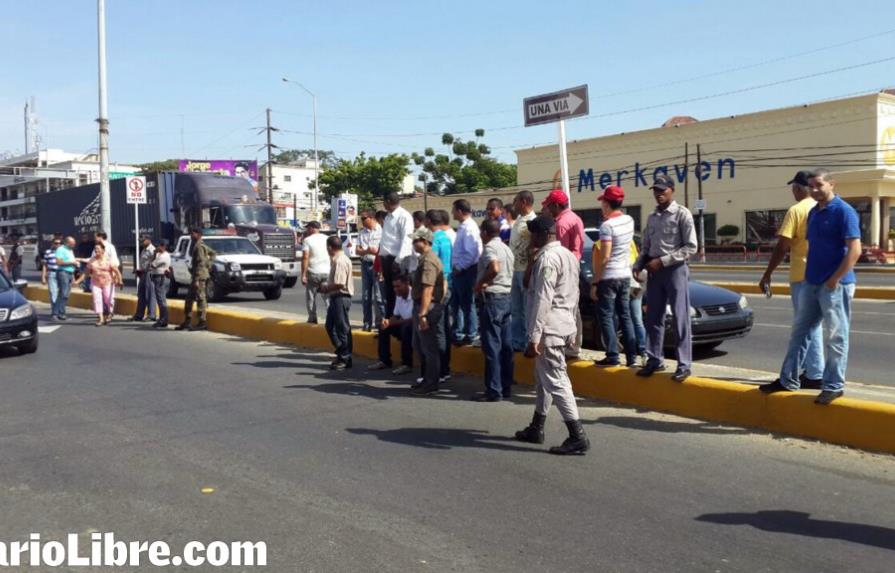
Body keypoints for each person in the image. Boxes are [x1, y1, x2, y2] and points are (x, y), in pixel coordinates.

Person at [761, 168, 861, 404]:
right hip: (810, 282)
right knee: (800, 332)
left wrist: (835, 279)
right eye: (812, 186)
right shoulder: (813, 213)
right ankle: (788, 379)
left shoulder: (844, 212)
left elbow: (855, 250)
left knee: (837, 336)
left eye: (819, 185)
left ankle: (834, 385)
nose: (815, 190)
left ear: (831, 184)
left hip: (836, 285)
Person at [514, 215, 590, 455]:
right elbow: (574, 294)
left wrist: (534, 337)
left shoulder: (548, 258)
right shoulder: (568, 255)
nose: (529, 241)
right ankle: (537, 427)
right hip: (563, 325)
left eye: (532, 235)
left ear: (541, 235)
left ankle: (577, 436)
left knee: (556, 381)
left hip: (549, 329)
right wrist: (573, 328)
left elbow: (542, 298)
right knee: (543, 380)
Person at [758, 170, 823, 388]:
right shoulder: (821, 208)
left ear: (798, 188)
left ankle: (810, 375)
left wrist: (767, 274)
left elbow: (782, 247)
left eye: (793, 188)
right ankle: (815, 371)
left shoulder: (796, 210)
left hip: (801, 276)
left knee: (804, 328)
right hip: (821, 275)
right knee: (814, 327)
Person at [633, 175, 698, 382]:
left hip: (675, 270)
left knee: (680, 318)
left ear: (672, 190)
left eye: (663, 190)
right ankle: (654, 360)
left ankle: (684, 364)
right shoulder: (652, 217)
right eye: (656, 190)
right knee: (654, 318)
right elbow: (646, 246)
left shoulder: (682, 214)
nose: (659, 194)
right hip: (653, 272)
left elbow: (691, 247)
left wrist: (663, 261)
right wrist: (638, 264)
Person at [589, 185, 638, 367]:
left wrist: (595, 281)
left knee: (607, 317)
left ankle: (613, 355)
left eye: (603, 201)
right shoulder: (629, 220)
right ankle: (632, 357)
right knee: (625, 316)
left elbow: (605, 256)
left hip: (609, 277)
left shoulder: (607, 226)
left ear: (607, 204)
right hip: (625, 275)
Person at [472, 218, 515, 402]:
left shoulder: (490, 248)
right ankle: (505, 387)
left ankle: (493, 390)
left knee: (492, 346)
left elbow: (494, 268)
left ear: (484, 233)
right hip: (506, 297)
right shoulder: (506, 248)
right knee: (506, 346)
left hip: (493, 297)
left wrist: (480, 283)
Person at [542, 189, 585, 357]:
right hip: (574, 267)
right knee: (574, 307)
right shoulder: (576, 218)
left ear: (556, 205)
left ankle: (569, 344)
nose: (547, 208)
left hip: (564, 270)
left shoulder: (561, 223)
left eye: (549, 205)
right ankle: (575, 345)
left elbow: (560, 251)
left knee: (562, 307)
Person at [409, 227, 447, 396]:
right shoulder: (425, 259)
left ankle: (431, 383)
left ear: (424, 242)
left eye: (415, 241)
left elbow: (428, 289)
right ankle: (427, 378)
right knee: (420, 345)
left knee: (429, 348)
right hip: (426, 305)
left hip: (427, 306)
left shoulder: (429, 261)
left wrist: (423, 314)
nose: (413, 244)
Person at [451, 199, 483, 345]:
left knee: (467, 303)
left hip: (466, 271)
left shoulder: (469, 227)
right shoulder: (464, 226)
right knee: (460, 303)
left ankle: (471, 333)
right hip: (462, 271)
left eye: (454, 210)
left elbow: (472, 253)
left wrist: (460, 267)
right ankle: (463, 331)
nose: (452, 213)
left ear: (459, 211)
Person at [509, 191, 537, 351]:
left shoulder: (532, 221)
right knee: (516, 309)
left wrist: (529, 270)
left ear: (524, 201)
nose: (514, 204)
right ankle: (517, 341)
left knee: (528, 309)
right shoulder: (519, 219)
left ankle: (528, 342)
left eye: (516, 201)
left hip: (526, 271)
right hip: (514, 270)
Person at [428, 209, 454, 382]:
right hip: (448, 284)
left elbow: (432, 265)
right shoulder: (446, 238)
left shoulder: (435, 240)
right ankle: (444, 368)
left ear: (429, 222)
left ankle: (440, 370)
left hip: (438, 287)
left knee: (437, 331)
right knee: (444, 329)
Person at [369, 275, 414, 374]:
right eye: (394, 287)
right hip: (403, 323)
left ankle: (407, 364)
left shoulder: (414, 295)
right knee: (384, 327)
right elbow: (396, 315)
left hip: (414, 327)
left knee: (406, 329)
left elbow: (413, 319)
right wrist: (388, 322)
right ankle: (384, 360)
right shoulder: (399, 296)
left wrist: (395, 322)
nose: (395, 289)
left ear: (407, 284)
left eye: (398, 286)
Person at [321, 235, 354, 370]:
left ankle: (345, 357)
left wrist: (326, 288)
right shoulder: (337, 259)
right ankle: (342, 352)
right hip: (336, 297)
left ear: (330, 247)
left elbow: (340, 283)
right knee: (330, 326)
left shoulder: (340, 261)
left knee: (342, 328)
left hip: (341, 296)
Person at [379, 193, 414, 318]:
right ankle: (390, 321)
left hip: (398, 260)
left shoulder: (403, 216)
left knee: (400, 292)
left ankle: (401, 321)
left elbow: (407, 239)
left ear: (388, 201)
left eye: (384, 201)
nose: (383, 204)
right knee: (390, 294)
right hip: (386, 259)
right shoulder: (388, 217)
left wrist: (398, 260)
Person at [176, 227, 216, 332]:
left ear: (198, 234)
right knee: (189, 299)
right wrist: (209, 264)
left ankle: (202, 322)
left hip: (199, 277)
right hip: (196, 276)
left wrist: (197, 279)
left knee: (200, 298)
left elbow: (200, 263)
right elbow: (213, 253)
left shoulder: (199, 246)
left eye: (192, 233)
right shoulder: (199, 245)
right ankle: (187, 321)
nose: (190, 235)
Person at [357, 210, 384, 332]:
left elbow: (380, 250)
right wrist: (367, 251)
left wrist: (369, 250)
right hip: (365, 263)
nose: (362, 221)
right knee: (366, 296)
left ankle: (380, 322)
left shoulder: (381, 230)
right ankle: (367, 322)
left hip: (377, 265)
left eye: (364, 218)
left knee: (378, 297)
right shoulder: (362, 233)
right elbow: (358, 250)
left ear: (371, 218)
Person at [82, 243, 122, 327]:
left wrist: (120, 280)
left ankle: (110, 313)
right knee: (97, 299)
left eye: (98, 249)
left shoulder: (108, 260)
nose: (96, 250)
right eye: (95, 249)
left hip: (108, 282)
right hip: (95, 283)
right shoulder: (92, 260)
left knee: (108, 299)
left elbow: (117, 271)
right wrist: (78, 281)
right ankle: (101, 318)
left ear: (103, 250)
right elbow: (86, 273)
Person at [301, 221, 331, 324]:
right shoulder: (327, 238)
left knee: (311, 297)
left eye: (308, 228)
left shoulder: (307, 240)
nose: (307, 230)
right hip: (327, 271)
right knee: (327, 297)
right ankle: (331, 317)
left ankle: (312, 318)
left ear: (312, 228)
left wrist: (303, 274)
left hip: (313, 272)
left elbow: (305, 257)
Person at [130, 235, 158, 323]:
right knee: (141, 294)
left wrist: (147, 269)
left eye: (143, 240)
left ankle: (151, 315)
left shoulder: (152, 250)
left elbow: (155, 262)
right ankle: (139, 314)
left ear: (149, 240)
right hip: (143, 273)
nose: (141, 242)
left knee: (150, 294)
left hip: (149, 273)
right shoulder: (144, 249)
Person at [94, 232, 121, 318]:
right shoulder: (96, 248)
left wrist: (116, 276)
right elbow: (92, 259)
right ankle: (103, 312)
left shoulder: (110, 247)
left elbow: (114, 261)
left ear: (100, 237)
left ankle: (110, 312)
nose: (94, 238)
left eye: (96, 237)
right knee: (99, 296)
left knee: (109, 295)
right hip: (98, 277)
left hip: (109, 274)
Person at [53, 236, 78, 321]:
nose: (74, 245)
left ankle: (58, 312)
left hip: (70, 273)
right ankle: (59, 313)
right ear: (67, 243)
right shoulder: (60, 249)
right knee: (63, 293)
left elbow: (72, 262)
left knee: (66, 295)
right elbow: (58, 262)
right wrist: (71, 262)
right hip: (63, 272)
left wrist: (73, 276)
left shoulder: (70, 250)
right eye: (72, 244)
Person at [149, 239, 172, 328]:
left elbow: (152, 265)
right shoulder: (161, 254)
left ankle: (163, 320)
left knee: (161, 299)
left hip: (160, 277)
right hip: (158, 277)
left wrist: (155, 254)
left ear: (163, 246)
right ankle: (163, 319)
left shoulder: (163, 256)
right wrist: (155, 253)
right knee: (161, 299)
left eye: (159, 246)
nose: (157, 248)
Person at [40, 238, 61, 309]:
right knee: (53, 293)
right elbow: (45, 265)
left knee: (62, 294)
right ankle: (55, 311)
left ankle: (60, 311)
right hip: (52, 274)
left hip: (62, 274)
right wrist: (43, 277)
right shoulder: (48, 252)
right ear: (52, 244)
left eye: (59, 243)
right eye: (56, 243)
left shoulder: (64, 252)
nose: (58, 244)